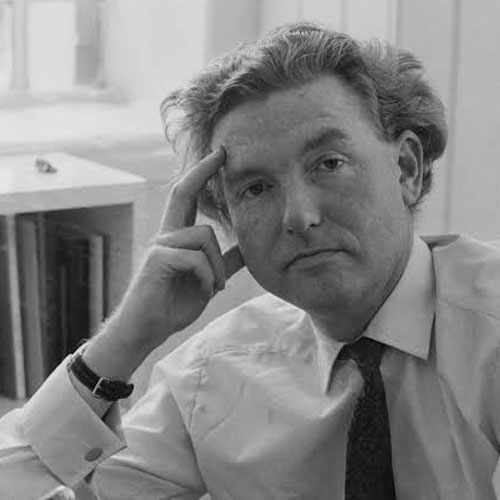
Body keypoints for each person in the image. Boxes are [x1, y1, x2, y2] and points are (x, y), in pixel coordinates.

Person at [1, 20, 500, 500]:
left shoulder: (488, 343)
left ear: (407, 168)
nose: (299, 216)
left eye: (329, 164)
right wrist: (123, 341)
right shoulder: (214, 374)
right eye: (256, 188)